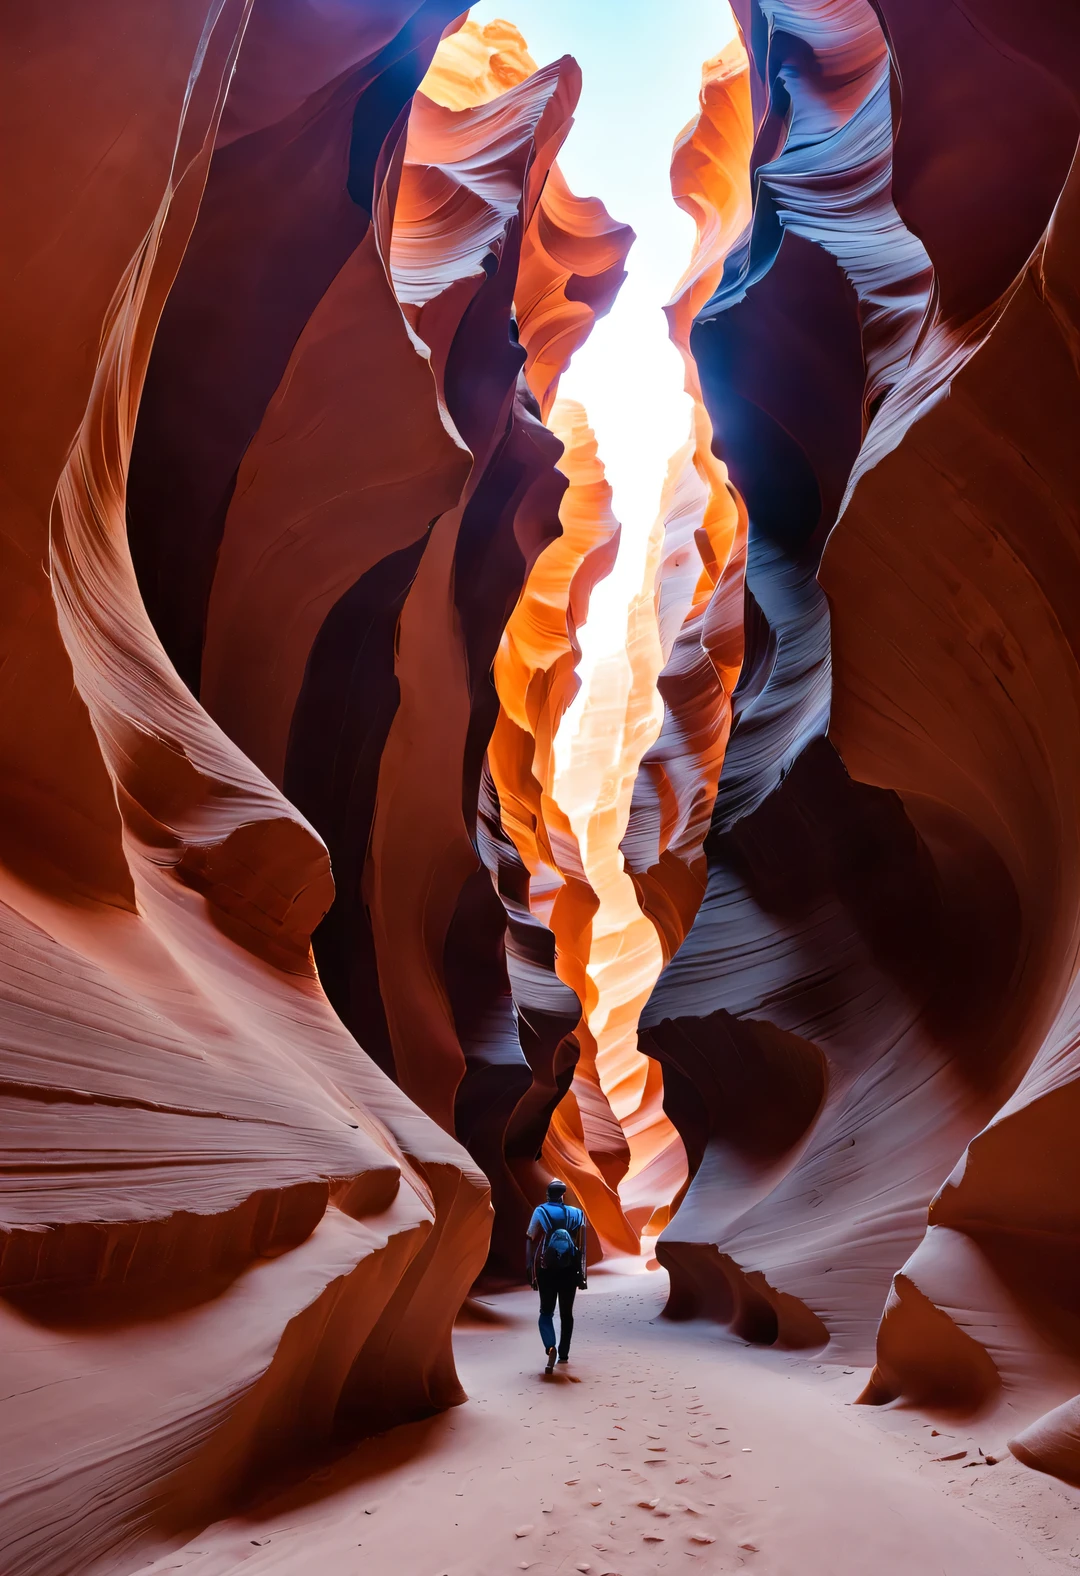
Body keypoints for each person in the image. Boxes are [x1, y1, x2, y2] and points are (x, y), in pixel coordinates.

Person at [526, 1179, 587, 1374]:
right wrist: (582, 1276)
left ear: (548, 1193)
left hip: (547, 1269)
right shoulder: (577, 1214)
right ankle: (564, 1354)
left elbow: (530, 1238)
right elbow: (582, 1246)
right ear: (563, 1194)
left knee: (546, 1312)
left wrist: (531, 1269)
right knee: (566, 1314)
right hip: (570, 1270)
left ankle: (550, 1346)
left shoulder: (540, 1212)